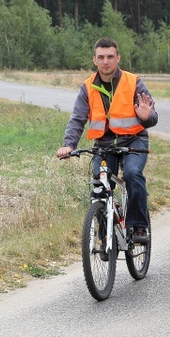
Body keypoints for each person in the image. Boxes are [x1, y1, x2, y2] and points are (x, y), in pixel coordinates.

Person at [56, 37, 157, 244]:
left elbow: (152, 116)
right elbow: (78, 118)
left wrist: (146, 116)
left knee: (132, 174)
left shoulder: (134, 82)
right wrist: (68, 145)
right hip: (104, 145)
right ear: (94, 60)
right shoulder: (88, 87)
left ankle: (138, 225)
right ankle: (105, 234)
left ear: (118, 58)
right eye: (101, 57)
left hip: (134, 141)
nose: (106, 62)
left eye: (110, 56)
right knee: (99, 184)